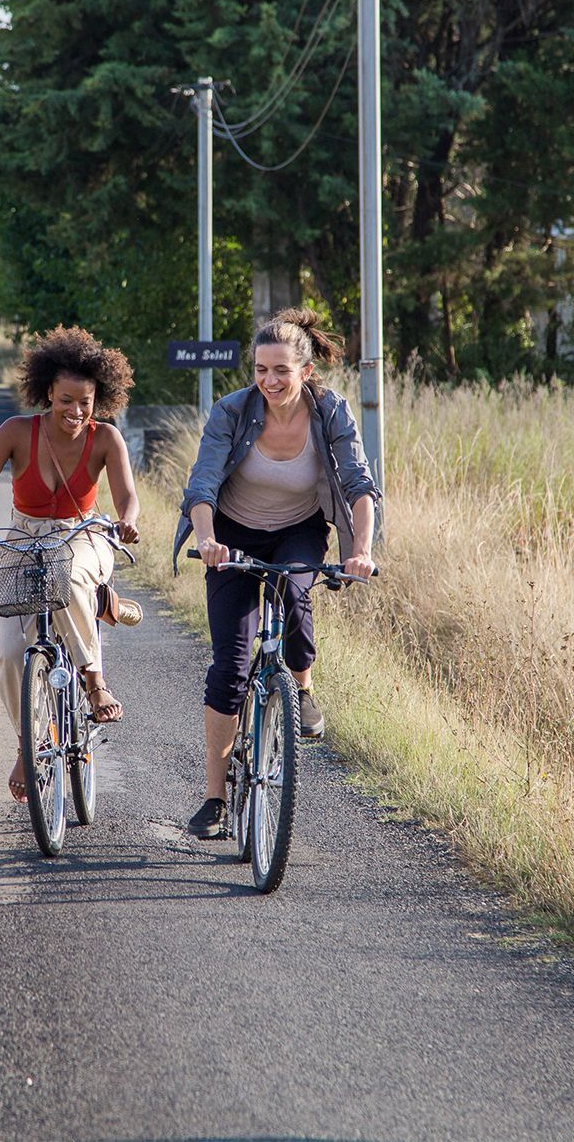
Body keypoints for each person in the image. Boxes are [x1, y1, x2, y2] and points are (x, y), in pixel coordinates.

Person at [174, 307, 380, 839]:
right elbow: (202, 484)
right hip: (231, 533)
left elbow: (360, 485)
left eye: (281, 371)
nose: (269, 381)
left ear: (305, 372)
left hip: (298, 528)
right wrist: (207, 539)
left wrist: (360, 550)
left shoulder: (330, 411)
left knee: (296, 590)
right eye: (261, 370)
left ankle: (302, 688)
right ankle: (215, 798)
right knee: (231, 667)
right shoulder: (232, 411)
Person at [0, 326, 141, 802]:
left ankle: (94, 682)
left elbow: (127, 497)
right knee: (11, 653)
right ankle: (27, 745)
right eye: (66, 400)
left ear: (99, 399)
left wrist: (127, 522)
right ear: (47, 393)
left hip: (84, 535)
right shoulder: (16, 432)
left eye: (85, 402)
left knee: (69, 577)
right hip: (24, 537)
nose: (76, 412)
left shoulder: (106, 438)